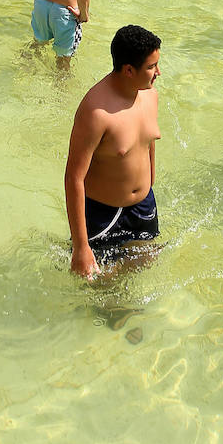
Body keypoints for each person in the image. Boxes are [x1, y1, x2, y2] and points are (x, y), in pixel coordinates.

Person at [64, 25, 162, 277]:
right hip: (104, 215)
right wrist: (80, 247)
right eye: (151, 67)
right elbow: (73, 177)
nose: (158, 73)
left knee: (141, 275)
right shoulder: (96, 112)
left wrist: (148, 185)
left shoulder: (150, 96)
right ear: (129, 70)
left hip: (144, 207)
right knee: (104, 294)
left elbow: (148, 141)